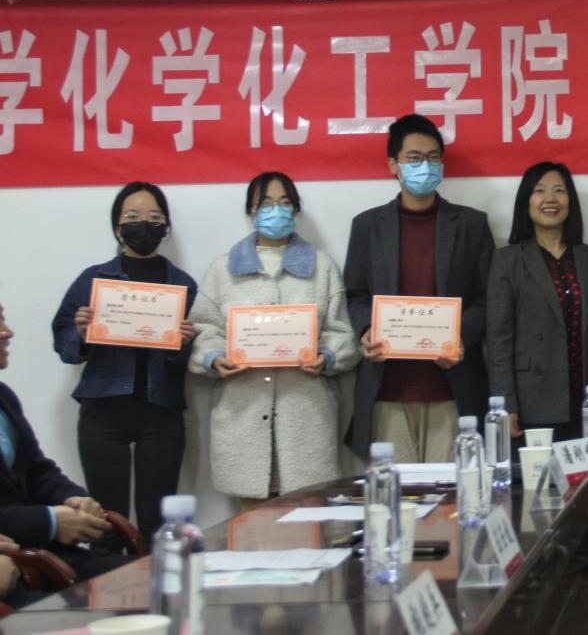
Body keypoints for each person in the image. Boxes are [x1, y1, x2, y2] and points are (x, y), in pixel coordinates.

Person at [188, 172, 358, 505]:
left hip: (305, 416)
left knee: (306, 520)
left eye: (284, 203)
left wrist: (327, 357)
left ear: (296, 210)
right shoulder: (223, 270)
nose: (275, 210)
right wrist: (214, 358)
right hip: (242, 416)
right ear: (250, 212)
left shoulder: (322, 268)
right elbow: (202, 329)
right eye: (265, 203)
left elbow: (342, 333)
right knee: (252, 527)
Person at [50, 182, 197, 542]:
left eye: (154, 217)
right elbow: (62, 339)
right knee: (107, 522)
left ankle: (157, 577)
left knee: (158, 524)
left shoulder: (183, 284)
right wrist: (82, 333)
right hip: (103, 411)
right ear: (117, 226)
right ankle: (110, 578)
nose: (143, 224)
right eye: (132, 216)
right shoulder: (94, 279)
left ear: (166, 226)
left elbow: (193, 357)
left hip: (161, 413)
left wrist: (180, 344)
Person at [343, 114, 494, 462]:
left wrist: (460, 337)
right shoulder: (367, 226)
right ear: (393, 165)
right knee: (395, 493)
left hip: (452, 390)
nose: (424, 166)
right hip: (387, 390)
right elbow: (354, 294)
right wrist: (366, 329)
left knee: (452, 493)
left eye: (433, 157)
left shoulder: (471, 225)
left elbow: (488, 298)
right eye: (414, 158)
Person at [0, 300, 132, 581]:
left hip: (46, 553)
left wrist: (76, 500)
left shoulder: (4, 396)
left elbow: (37, 471)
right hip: (18, 563)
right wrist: (49, 521)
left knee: (159, 575)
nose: (8, 332)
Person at [486, 162, 588, 441]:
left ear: (570, 200)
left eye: (559, 191)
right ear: (526, 201)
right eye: (539, 191)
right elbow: (498, 340)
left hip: (585, 398)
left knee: (587, 470)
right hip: (531, 400)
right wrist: (506, 404)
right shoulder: (507, 260)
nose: (550, 199)